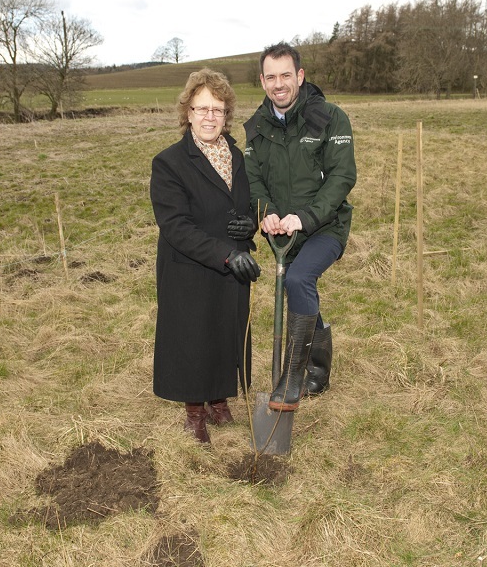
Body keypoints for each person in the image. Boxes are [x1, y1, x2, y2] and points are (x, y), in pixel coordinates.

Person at [243, 41, 356, 412]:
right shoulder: (256, 127)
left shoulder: (329, 117)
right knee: (301, 291)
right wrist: (267, 213)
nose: (279, 84)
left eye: (286, 75)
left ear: (300, 76)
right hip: (282, 231)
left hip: (325, 226)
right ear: (262, 80)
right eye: (271, 77)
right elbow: (254, 179)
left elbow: (341, 176)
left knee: (297, 280)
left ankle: (293, 374)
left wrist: (305, 217)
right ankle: (318, 371)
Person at [150, 68, 261, 444]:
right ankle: (195, 411)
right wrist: (225, 255)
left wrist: (249, 227)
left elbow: (244, 205)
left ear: (226, 114)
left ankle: (219, 399)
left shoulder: (235, 156)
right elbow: (175, 226)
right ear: (189, 113)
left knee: (224, 332)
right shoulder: (169, 163)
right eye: (202, 109)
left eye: (217, 109)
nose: (210, 116)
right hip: (190, 265)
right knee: (194, 336)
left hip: (231, 263)